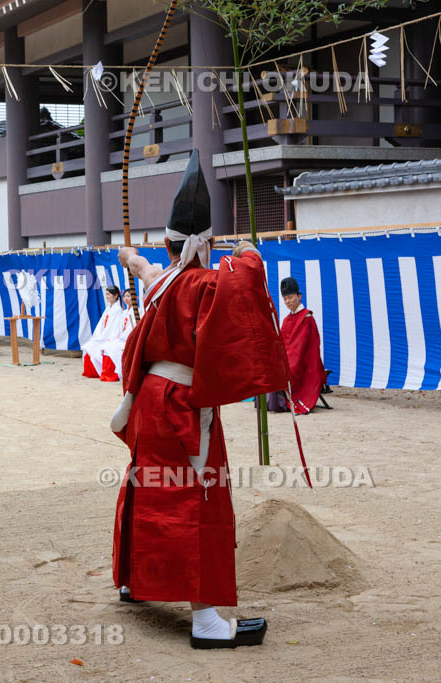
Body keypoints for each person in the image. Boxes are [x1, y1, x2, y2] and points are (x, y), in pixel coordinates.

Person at [110, 150, 290, 649]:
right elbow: (246, 283)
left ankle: (134, 580)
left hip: (149, 400)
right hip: (184, 407)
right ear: (205, 244)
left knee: (149, 486)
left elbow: (147, 270)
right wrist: (251, 252)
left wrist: (130, 258)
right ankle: (206, 621)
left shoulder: (161, 281)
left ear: (168, 244)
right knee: (196, 497)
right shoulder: (210, 284)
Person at [266, 277, 326, 414]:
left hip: (304, 364)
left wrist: (285, 364)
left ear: (299, 296)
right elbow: (283, 344)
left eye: (291, 297)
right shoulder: (287, 319)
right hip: (289, 358)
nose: (288, 301)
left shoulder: (307, 317)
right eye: (285, 298)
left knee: (283, 372)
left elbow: (302, 349)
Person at [81, 286, 124, 378]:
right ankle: (92, 372)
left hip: (109, 337)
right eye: (106, 294)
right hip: (103, 335)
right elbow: (101, 325)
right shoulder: (109, 308)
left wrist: (103, 337)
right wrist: (97, 336)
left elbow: (114, 328)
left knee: (98, 347)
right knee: (88, 345)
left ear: (116, 295)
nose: (107, 296)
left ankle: (103, 373)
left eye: (108, 294)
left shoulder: (118, 310)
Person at [99, 288, 138, 382]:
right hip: (122, 338)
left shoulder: (137, 312)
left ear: (135, 298)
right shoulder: (124, 312)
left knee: (112, 348)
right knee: (107, 346)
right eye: (125, 296)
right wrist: (114, 338)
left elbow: (132, 330)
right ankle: (107, 374)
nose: (126, 299)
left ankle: (114, 375)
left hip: (129, 340)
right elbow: (118, 329)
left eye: (129, 296)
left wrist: (121, 339)